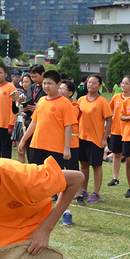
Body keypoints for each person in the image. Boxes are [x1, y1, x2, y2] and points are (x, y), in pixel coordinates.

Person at [18, 70, 77, 169]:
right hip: (36, 145)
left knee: (53, 178)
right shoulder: (41, 100)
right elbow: (34, 122)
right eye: (44, 83)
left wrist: (67, 148)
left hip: (55, 148)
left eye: (49, 83)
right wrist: (23, 140)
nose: (46, 86)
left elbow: (68, 126)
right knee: (36, 176)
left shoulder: (65, 103)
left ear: (58, 84)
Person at [77, 74, 113, 203]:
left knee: (96, 166)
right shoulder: (80, 100)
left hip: (96, 139)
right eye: (88, 82)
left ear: (99, 85)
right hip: (81, 138)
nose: (90, 84)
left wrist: (104, 138)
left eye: (93, 82)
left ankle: (96, 193)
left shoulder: (102, 101)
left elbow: (109, 120)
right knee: (83, 165)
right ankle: (83, 190)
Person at [59, 79, 85, 214]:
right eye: (59, 88)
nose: (60, 91)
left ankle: (79, 195)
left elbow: (66, 120)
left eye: (63, 89)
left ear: (70, 93)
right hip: (57, 143)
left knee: (73, 169)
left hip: (72, 143)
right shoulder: (57, 103)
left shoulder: (74, 106)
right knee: (58, 169)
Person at [107, 75, 130, 187]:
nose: (123, 85)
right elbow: (109, 111)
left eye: (126, 83)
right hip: (116, 131)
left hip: (129, 132)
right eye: (122, 83)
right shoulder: (116, 97)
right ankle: (115, 178)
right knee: (116, 155)